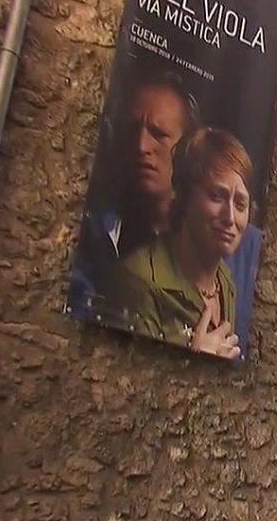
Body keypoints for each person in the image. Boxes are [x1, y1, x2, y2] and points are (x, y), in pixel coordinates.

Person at [66, 70, 264, 352]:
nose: (141, 146)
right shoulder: (98, 234)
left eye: (158, 134)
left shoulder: (240, 259)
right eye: (132, 131)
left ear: (185, 149)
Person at [105, 127, 254, 360]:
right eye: (216, 196)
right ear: (185, 196)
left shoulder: (225, 282)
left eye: (241, 204)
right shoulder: (138, 280)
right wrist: (193, 360)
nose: (230, 218)